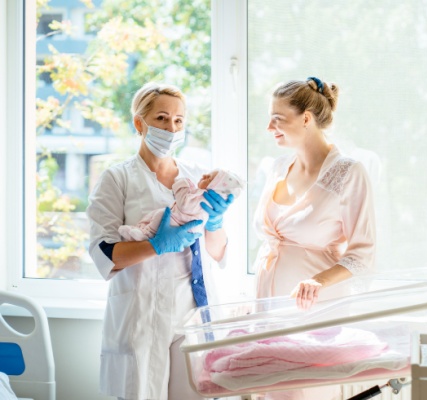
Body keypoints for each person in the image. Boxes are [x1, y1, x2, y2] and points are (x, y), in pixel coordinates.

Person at [86, 82, 235, 400]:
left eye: (179, 120)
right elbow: (104, 252)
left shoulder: (197, 176)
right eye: (162, 118)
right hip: (141, 312)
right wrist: (155, 245)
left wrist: (216, 223)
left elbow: (217, 251)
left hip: (191, 311)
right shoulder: (117, 178)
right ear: (139, 123)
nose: (171, 128)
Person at [252, 77, 376, 400]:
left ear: (306, 118)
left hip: (315, 310)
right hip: (269, 307)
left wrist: (318, 281)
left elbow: (362, 255)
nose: (269, 127)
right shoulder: (279, 167)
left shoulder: (349, 173)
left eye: (277, 119)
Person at [118, 169, 245, 242]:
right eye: (208, 174)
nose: (204, 175)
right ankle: (140, 229)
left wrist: (214, 224)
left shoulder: (204, 199)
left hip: (178, 224)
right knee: (155, 215)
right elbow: (108, 253)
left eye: (209, 178)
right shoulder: (120, 176)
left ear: (214, 188)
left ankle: (146, 233)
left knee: (160, 216)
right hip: (140, 278)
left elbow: (184, 204)